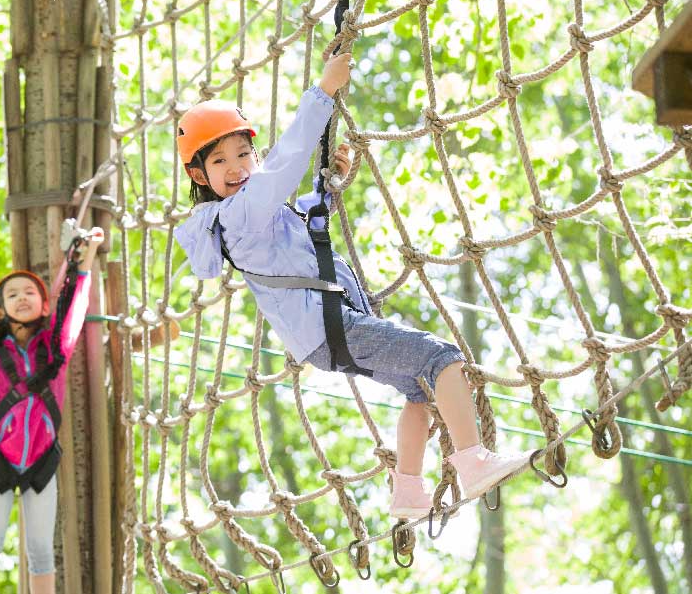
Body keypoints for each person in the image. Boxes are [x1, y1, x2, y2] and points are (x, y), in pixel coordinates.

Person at [173, 52, 530, 520]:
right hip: (331, 327)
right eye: (221, 161)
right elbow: (284, 166)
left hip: (328, 332)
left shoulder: (251, 213)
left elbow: (297, 219)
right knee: (442, 359)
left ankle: (408, 492)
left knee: (419, 394)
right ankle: (473, 463)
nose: (237, 167)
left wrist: (330, 181)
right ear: (200, 176)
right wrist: (323, 92)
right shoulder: (235, 214)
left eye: (244, 153)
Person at [0, 227, 104, 594]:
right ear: (0, 312)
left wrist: (85, 256)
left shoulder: (55, 346)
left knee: (41, 550)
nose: (22, 297)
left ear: (42, 304)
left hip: (41, 461)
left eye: (30, 292)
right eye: (12, 295)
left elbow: (71, 305)